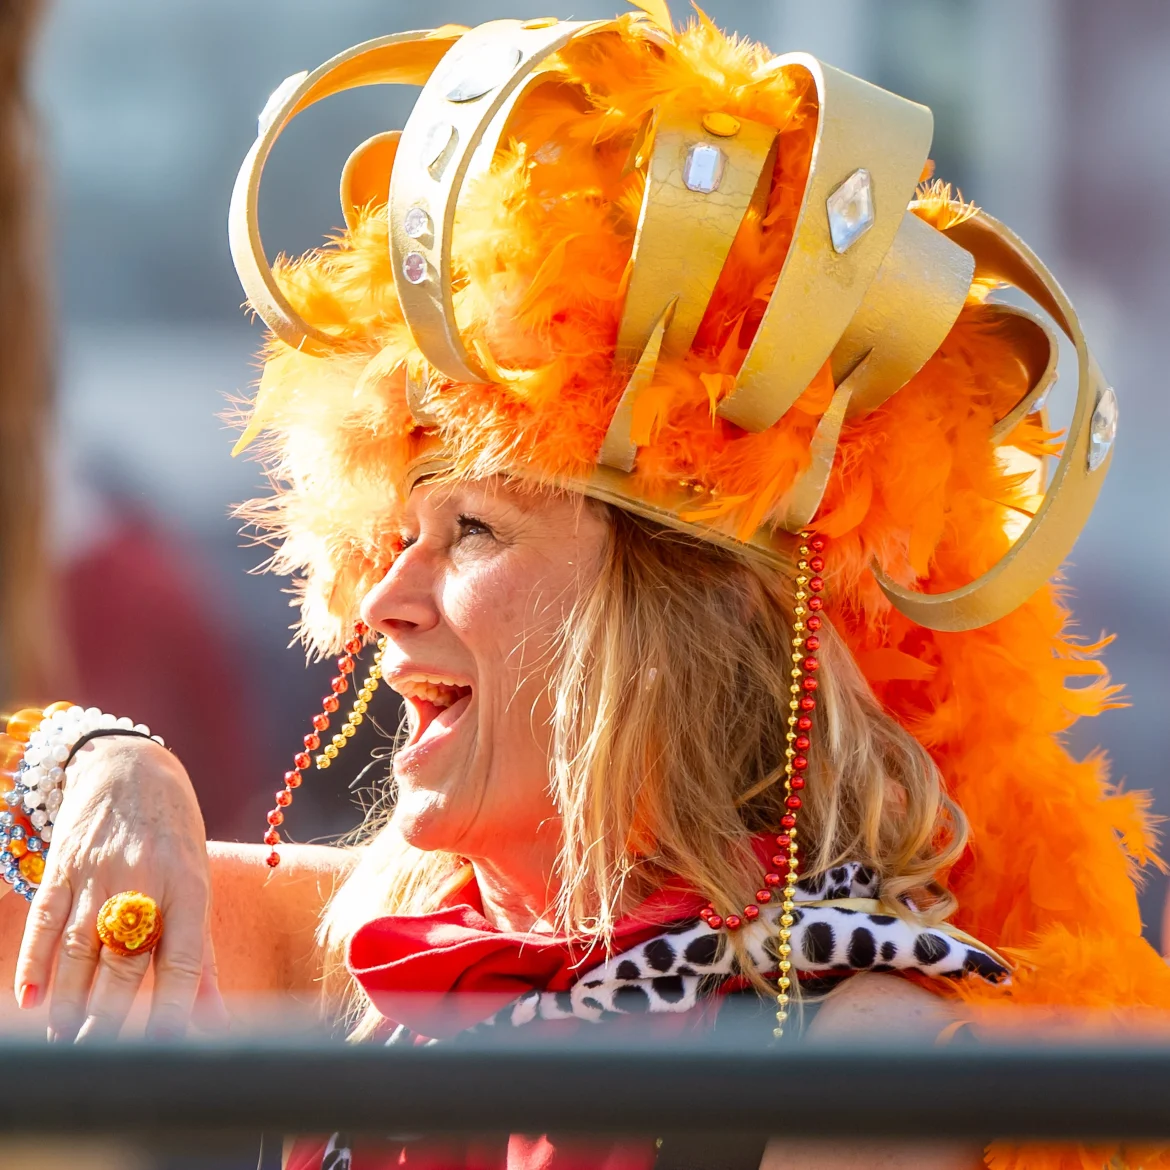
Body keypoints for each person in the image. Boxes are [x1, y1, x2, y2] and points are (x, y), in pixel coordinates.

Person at [2, 6, 1168, 1169]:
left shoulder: (865, 1055)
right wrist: (111, 769)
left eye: (471, 529)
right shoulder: (358, 945)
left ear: (685, 617)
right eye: (392, 533)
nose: (383, 598)